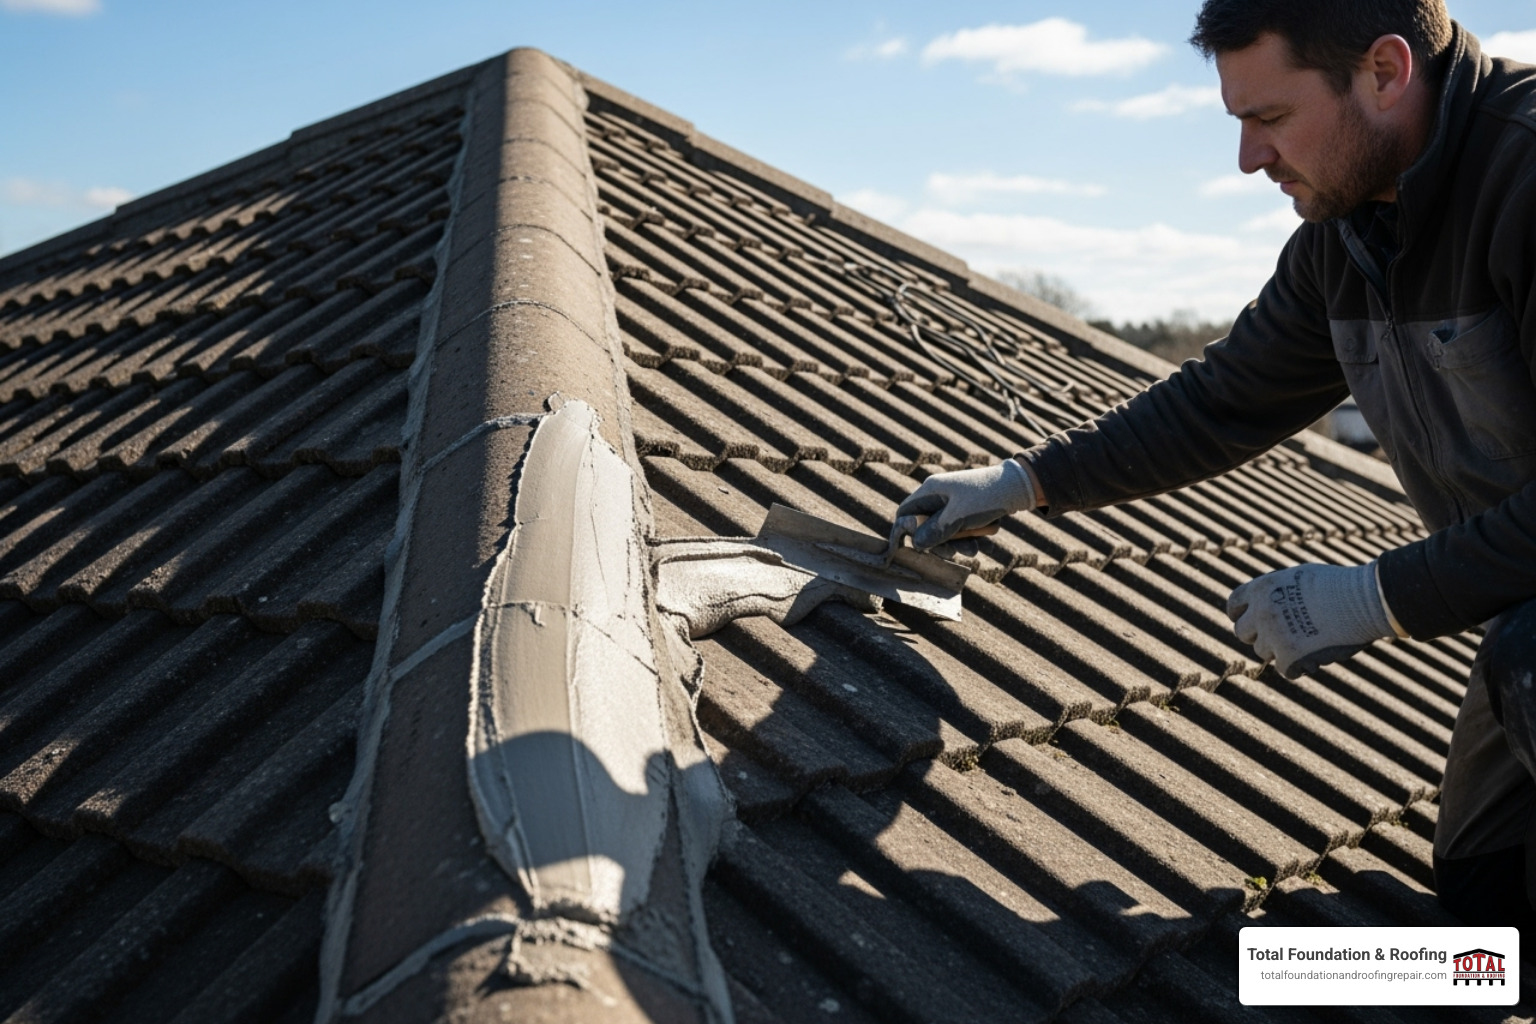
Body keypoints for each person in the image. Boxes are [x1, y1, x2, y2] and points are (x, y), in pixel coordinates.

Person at [888, 0, 1536, 929]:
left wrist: (1379, 597)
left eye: (1268, 119)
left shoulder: (1525, 176)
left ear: (1385, 73)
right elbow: (1221, 401)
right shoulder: (1348, 238)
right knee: (1483, 913)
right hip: (1521, 612)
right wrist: (1024, 481)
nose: (1249, 160)